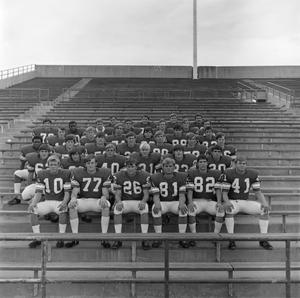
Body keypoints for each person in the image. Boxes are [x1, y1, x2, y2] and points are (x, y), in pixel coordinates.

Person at [221, 156, 273, 250]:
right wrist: (227, 201)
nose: (242, 165)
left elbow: (257, 191)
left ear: (246, 165)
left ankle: (263, 239)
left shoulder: (252, 174)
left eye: (244, 163)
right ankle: (231, 239)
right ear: (235, 164)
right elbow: (224, 192)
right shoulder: (228, 173)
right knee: (229, 210)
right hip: (233, 201)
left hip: (245, 201)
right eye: (240, 163)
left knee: (264, 210)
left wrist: (264, 203)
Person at [27, 155, 71, 248]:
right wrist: (33, 203)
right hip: (47, 201)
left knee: (63, 210)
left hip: (59, 201)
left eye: (55, 164)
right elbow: (38, 193)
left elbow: (67, 193)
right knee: (33, 210)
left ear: (59, 165)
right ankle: (37, 238)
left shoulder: (66, 173)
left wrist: (64, 202)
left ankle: (61, 238)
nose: (53, 166)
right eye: (51, 164)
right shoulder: (42, 174)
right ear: (48, 165)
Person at [67, 155, 111, 248]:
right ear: (85, 164)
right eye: (88, 163)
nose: (90, 165)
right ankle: (75, 237)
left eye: (92, 163)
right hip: (84, 200)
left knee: (106, 205)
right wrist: (73, 197)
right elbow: (75, 190)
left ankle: (104, 237)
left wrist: (104, 197)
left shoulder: (104, 172)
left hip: (97, 200)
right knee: (72, 206)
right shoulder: (78, 173)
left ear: (96, 164)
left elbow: (105, 192)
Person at [112, 157, 151, 250]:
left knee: (145, 208)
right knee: (117, 209)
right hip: (125, 201)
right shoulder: (120, 175)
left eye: (132, 166)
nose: (130, 168)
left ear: (136, 167)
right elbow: (118, 194)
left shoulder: (143, 175)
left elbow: (146, 194)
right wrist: (119, 201)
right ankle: (118, 238)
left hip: (138, 201)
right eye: (128, 166)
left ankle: (144, 238)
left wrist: (143, 201)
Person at [150, 157, 189, 248]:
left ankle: (182, 237)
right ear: (162, 167)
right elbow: (155, 194)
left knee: (183, 210)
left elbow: (182, 194)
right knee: (155, 210)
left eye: (170, 166)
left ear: (174, 167)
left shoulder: (181, 176)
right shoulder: (155, 177)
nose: (168, 168)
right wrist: (157, 204)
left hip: (175, 201)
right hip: (162, 202)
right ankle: (158, 237)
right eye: (166, 166)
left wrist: (182, 203)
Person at [186, 155, 224, 245]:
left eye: (204, 162)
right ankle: (193, 236)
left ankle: (216, 236)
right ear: (197, 164)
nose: (203, 164)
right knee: (191, 211)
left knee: (221, 211)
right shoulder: (191, 173)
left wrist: (219, 202)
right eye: (201, 162)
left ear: (207, 163)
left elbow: (218, 189)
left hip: (209, 201)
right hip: (197, 201)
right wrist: (190, 202)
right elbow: (190, 190)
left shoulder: (216, 173)